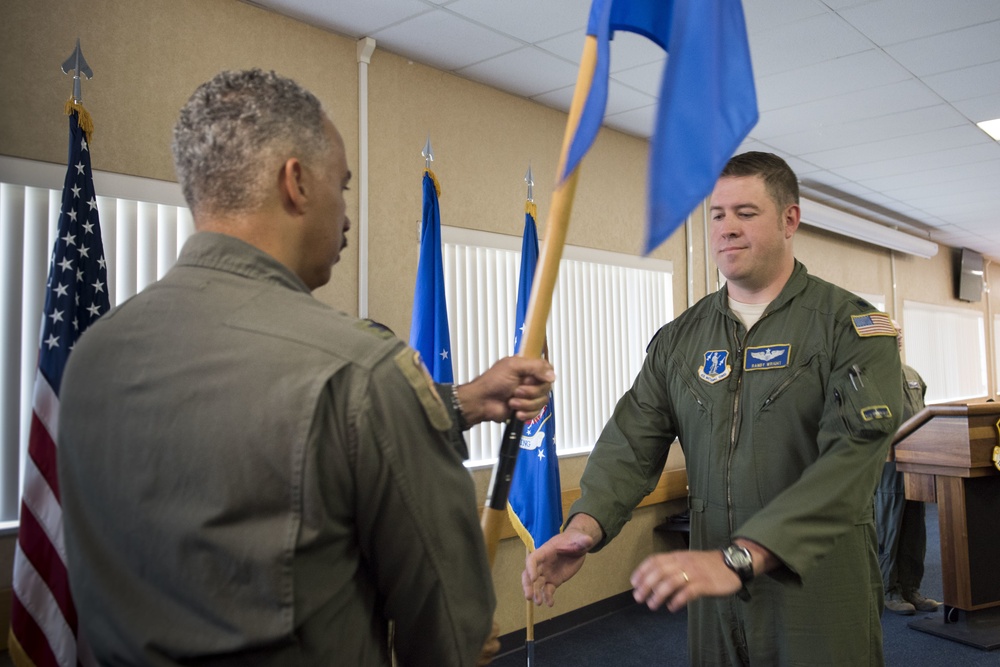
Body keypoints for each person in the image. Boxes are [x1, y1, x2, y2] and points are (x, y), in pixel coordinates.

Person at [57, 69, 555, 667]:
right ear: (295, 183)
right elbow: (451, 634)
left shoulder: (92, 356)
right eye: (341, 187)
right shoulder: (361, 371)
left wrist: (466, 400)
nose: (346, 217)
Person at [522, 152, 903, 665]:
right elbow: (631, 443)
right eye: (717, 215)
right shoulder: (681, 340)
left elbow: (849, 464)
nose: (727, 228)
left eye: (746, 213)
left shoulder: (849, 328)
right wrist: (581, 530)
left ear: (790, 220)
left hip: (817, 583)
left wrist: (743, 557)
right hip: (713, 586)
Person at [876, 322, 940, 614]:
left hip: (915, 461)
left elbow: (923, 413)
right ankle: (888, 590)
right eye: (892, 333)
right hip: (886, 464)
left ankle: (911, 588)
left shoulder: (912, 375)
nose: (898, 337)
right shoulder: (868, 374)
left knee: (915, 527)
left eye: (900, 333)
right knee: (889, 527)